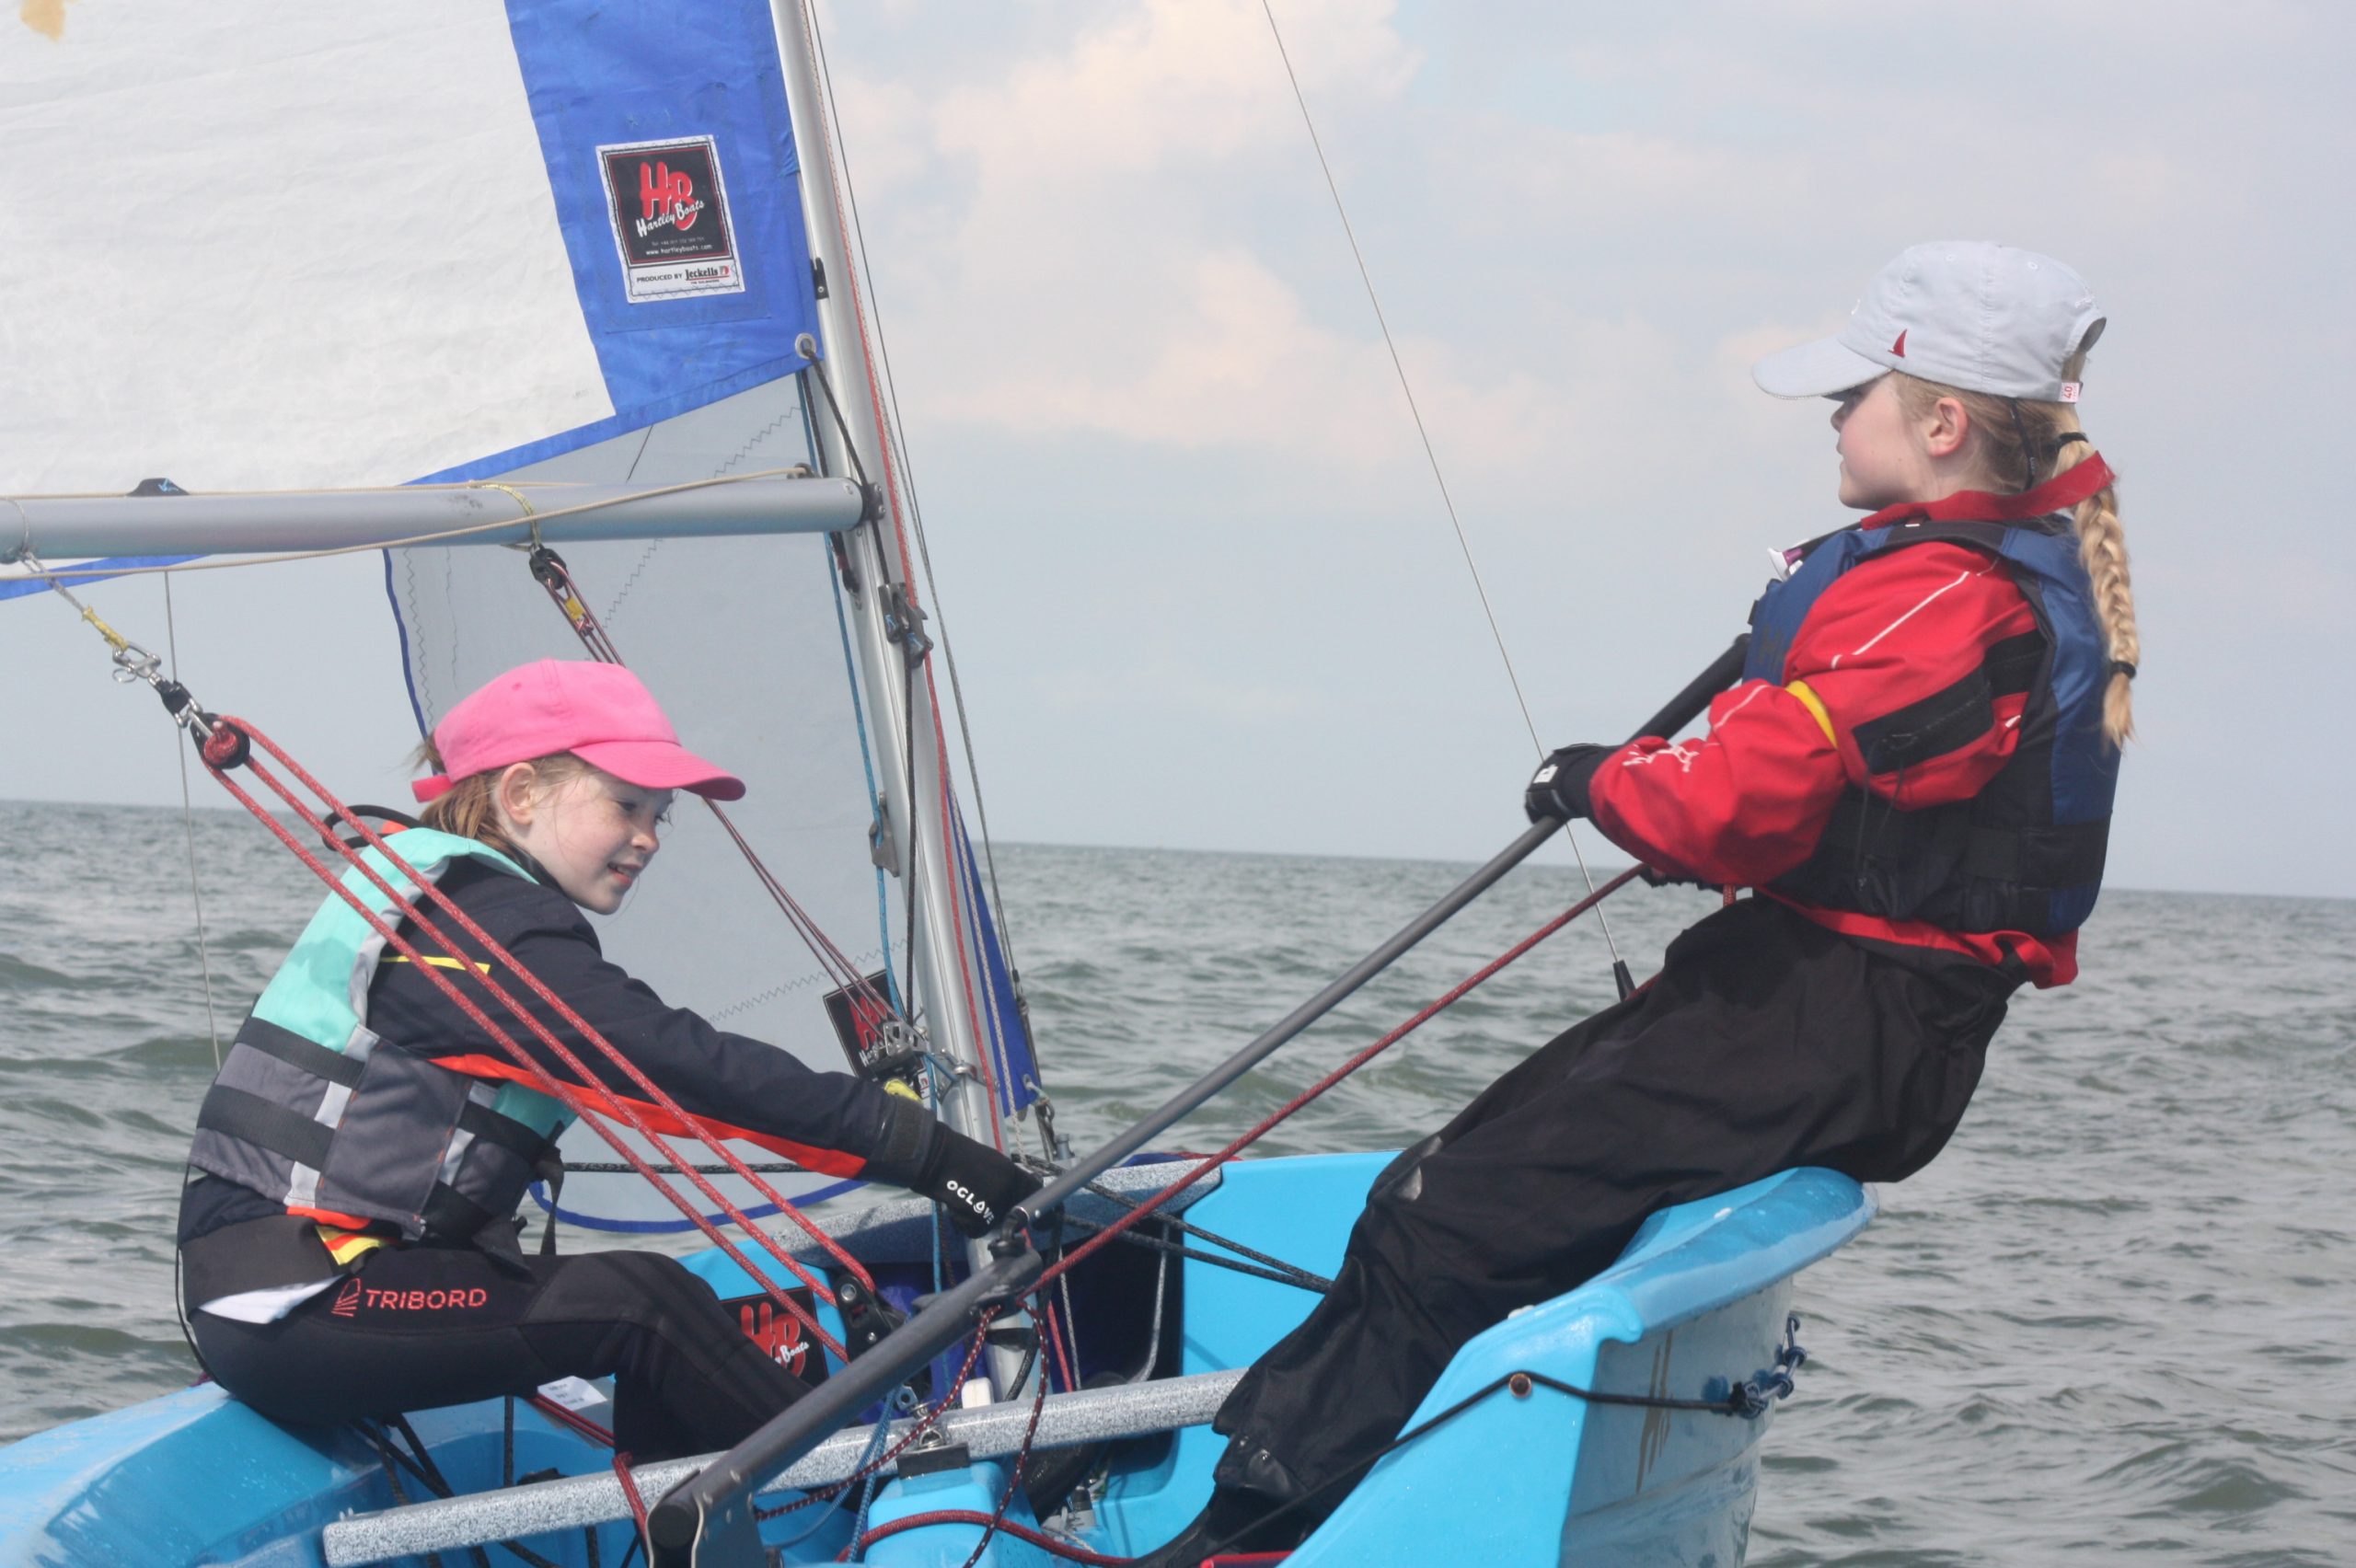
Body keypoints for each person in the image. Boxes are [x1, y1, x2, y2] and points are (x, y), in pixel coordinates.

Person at [1143, 241, 2138, 1562]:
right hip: (1821, 998)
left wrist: (1598, 781)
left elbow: (1732, 800)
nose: (1834, 418)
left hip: (1842, 1019)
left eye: (1855, 395)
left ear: (1942, 422)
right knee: (1432, 1196)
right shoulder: (1955, 573)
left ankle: (1248, 1534)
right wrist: (1636, 785)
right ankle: (1286, 1513)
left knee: (1443, 1219)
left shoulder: (1949, 602)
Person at [176, 658, 1039, 1461]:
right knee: (644, 1306)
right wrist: (930, 1155)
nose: (650, 838)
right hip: (300, 1299)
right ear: (519, 794)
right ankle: (870, 1494)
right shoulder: (467, 926)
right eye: (625, 805)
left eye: (659, 816)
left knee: (657, 1304)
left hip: (319, 1287)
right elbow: (672, 1065)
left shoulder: (463, 905)